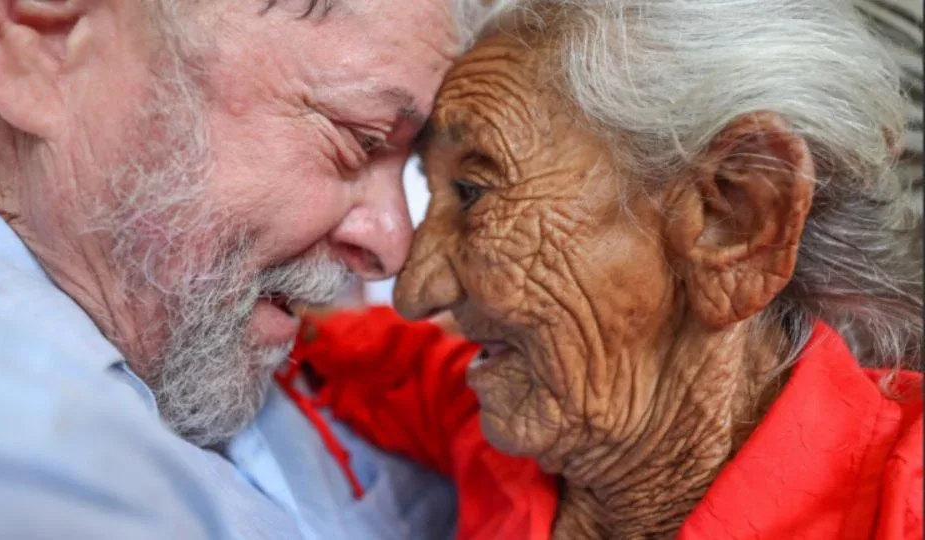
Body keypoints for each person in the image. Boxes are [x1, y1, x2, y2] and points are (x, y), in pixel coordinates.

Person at [281, 1, 924, 538]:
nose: (417, 289)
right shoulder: (515, 421)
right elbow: (395, 365)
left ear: (737, 216)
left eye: (475, 192)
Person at [0, 0, 504, 537]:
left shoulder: (201, 327)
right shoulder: (11, 450)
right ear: (37, 40)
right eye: (356, 138)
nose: (394, 248)